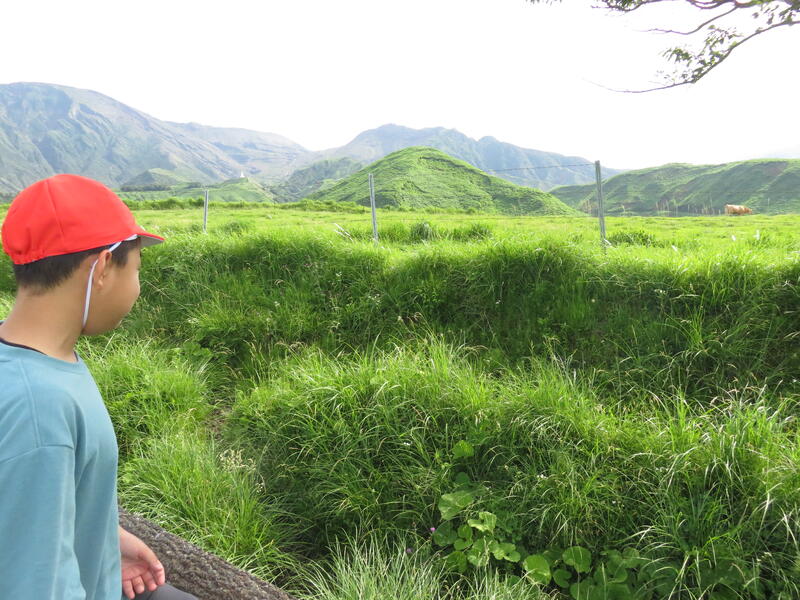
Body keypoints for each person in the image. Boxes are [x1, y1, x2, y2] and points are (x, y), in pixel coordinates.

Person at [0, 174, 197, 600]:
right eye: (137, 269)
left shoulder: (38, 356)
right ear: (104, 267)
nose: (138, 288)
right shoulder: (40, 409)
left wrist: (105, 538)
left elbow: (26, 511)